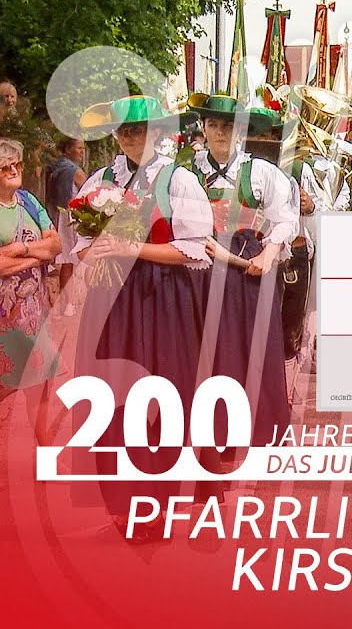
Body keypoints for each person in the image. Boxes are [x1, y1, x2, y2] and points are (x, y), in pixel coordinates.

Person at [73, 95, 213, 541]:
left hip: (161, 300)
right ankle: (121, 502)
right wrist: (96, 252)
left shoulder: (180, 180)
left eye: (141, 129)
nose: (132, 138)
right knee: (113, 395)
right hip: (111, 301)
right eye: (125, 131)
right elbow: (77, 241)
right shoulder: (100, 179)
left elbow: (193, 248)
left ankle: (157, 503)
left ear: (158, 133)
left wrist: (132, 248)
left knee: (159, 395)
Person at [186, 93, 298, 456]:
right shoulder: (187, 170)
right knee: (204, 348)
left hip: (246, 270)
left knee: (248, 347)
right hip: (198, 267)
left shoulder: (261, 171)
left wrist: (269, 250)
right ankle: (208, 433)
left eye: (228, 125)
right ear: (203, 127)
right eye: (214, 124)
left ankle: (251, 432)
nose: (220, 131)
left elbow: (286, 219)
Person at [0, 138, 62, 404]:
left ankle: (42, 444)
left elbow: (56, 245)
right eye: (5, 167)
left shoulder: (28, 200)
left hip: (34, 316)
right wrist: (38, 256)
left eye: (18, 164)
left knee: (39, 392)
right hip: (3, 318)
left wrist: (22, 249)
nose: (14, 170)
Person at [45, 136, 88, 294]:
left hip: (57, 215)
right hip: (73, 217)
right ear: (68, 149)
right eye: (79, 148)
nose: (82, 152)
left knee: (66, 260)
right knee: (74, 259)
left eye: (83, 148)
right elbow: (90, 196)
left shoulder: (54, 167)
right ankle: (71, 302)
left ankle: (66, 302)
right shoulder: (74, 171)